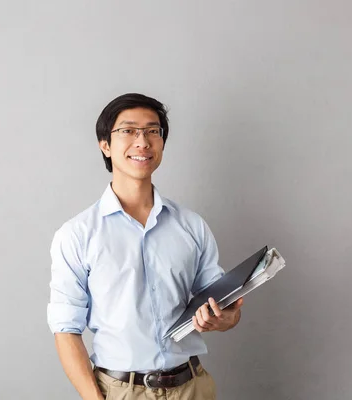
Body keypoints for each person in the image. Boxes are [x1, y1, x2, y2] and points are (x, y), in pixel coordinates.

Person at [47, 93, 243, 400]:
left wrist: (226, 318)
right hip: (120, 392)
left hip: (193, 387)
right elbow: (65, 330)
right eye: (128, 131)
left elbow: (223, 308)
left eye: (153, 131)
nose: (143, 141)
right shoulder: (77, 234)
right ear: (105, 145)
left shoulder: (191, 226)